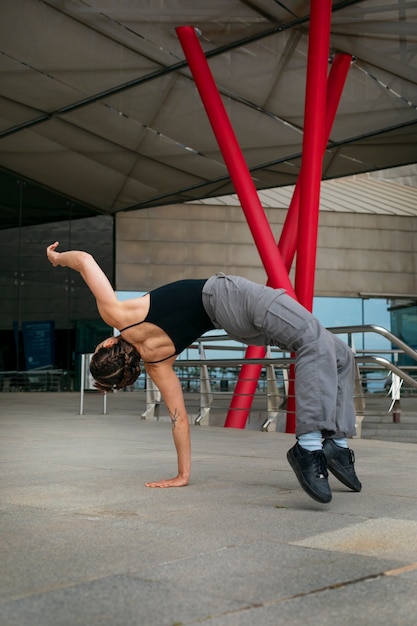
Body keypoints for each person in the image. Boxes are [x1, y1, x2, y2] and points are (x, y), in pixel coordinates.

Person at [46, 242, 361, 503]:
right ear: (104, 347)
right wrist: (57, 259)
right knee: (312, 339)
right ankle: (308, 447)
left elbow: (179, 419)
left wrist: (183, 475)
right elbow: (85, 260)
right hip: (231, 298)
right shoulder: (116, 313)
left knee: (340, 354)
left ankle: (337, 444)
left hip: (236, 325)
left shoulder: (158, 364)